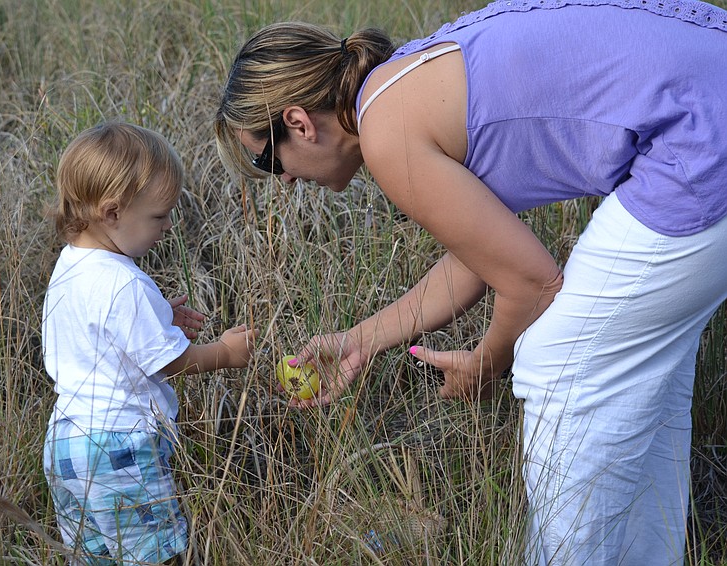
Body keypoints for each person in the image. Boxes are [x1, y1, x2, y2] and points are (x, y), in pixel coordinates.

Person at [214, 2, 727, 564]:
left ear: (297, 122)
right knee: (633, 379)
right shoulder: (404, 83)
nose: (284, 182)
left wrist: (488, 363)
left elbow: (532, 284)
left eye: (267, 163)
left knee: (559, 364)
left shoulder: (388, 136)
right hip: (706, 92)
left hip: (699, 138)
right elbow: (481, 258)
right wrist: (359, 340)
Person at [42, 122, 258, 565]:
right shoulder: (124, 284)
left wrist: (160, 318)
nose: (168, 227)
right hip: (119, 446)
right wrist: (225, 352)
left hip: (65, 444)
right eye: (159, 216)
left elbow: (99, 338)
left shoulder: (69, 266)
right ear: (113, 213)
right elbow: (171, 364)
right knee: (155, 557)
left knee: (95, 556)